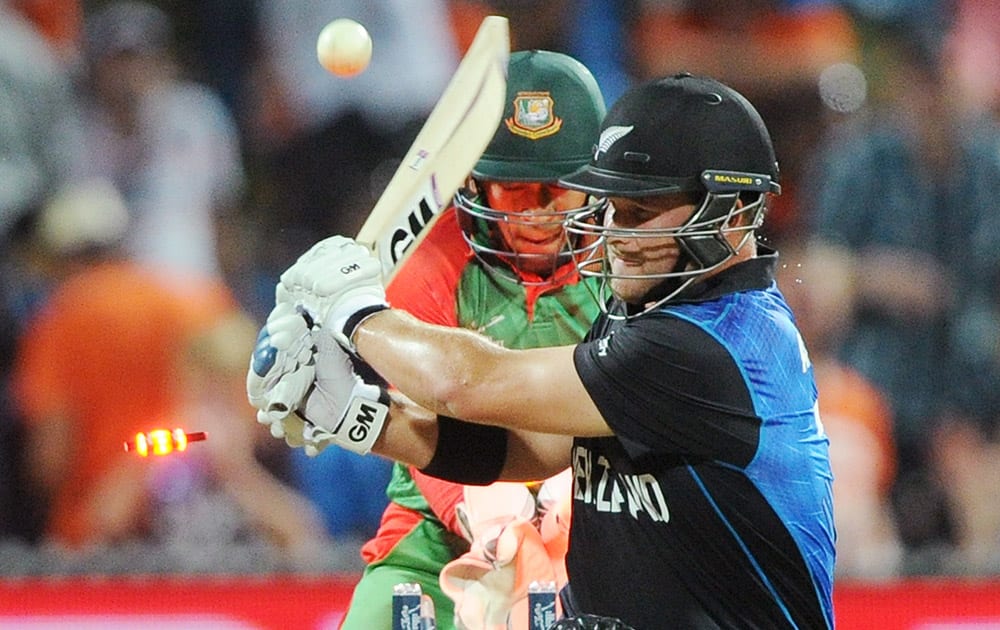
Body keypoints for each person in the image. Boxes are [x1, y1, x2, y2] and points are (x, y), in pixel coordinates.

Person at [252, 73, 835, 628]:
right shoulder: (646, 314)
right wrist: (358, 416)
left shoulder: (710, 344)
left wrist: (354, 314)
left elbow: (470, 384)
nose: (616, 234)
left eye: (641, 213)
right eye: (610, 207)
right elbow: (527, 452)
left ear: (733, 212)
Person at [254, 49, 608, 629]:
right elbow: (427, 430)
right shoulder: (427, 264)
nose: (538, 213)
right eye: (513, 189)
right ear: (474, 181)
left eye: (559, 189)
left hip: (600, 518)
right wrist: (481, 520)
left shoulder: (630, 265)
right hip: (441, 533)